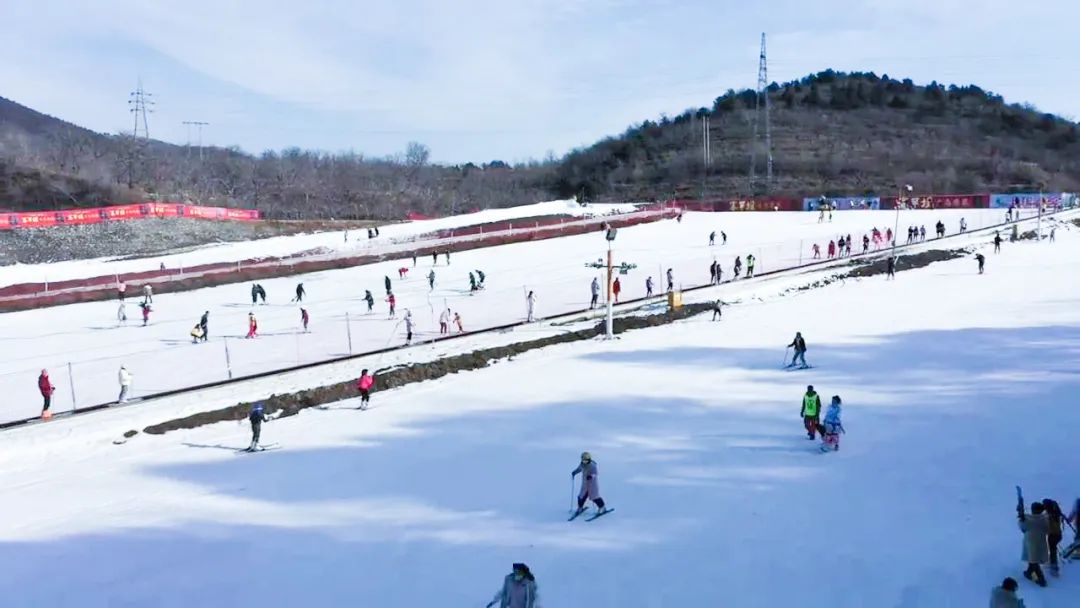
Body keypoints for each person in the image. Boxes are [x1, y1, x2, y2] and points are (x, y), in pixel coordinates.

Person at [1019, 501, 1049, 586]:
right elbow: (1047, 530)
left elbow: (1022, 528)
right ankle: (1029, 572)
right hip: (1041, 541)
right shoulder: (1044, 519)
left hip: (1030, 542)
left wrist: (1021, 519)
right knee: (1033, 558)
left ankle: (1041, 579)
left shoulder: (1028, 519)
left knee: (1033, 560)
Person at [571, 451, 608, 517]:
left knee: (595, 497)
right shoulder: (582, 464)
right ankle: (580, 507)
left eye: (586, 461)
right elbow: (579, 469)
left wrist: (591, 476)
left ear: (589, 460)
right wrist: (575, 472)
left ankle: (602, 507)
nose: (584, 462)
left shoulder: (592, 466)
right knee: (581, 496)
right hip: (585, 484)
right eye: (583, 460)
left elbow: (595, 474)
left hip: (592, 485)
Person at [1043, 499, 1065, 577]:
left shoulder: (1049, 515)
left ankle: (1054, 569)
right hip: (1058, 535)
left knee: (1053, 551)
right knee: (1053, 549)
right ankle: (1053, 564)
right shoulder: (1057, 513)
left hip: (1053, 536)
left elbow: (1047, 527)